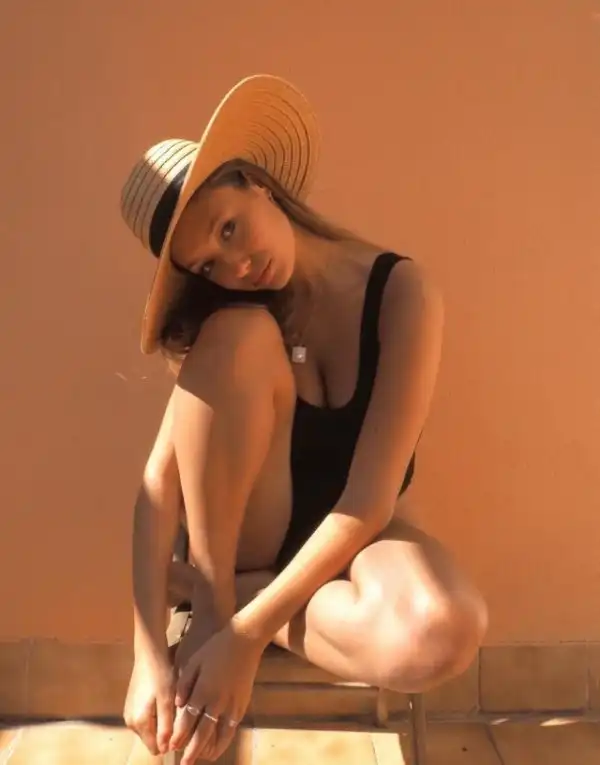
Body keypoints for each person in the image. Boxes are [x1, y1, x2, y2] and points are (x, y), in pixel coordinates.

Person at [120, 74, 488, 764]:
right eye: (209, 264)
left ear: (256, 183)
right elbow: (156, 488)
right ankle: (216, 592)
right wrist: (146, 654)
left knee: (444, 627)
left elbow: (368, 501)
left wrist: (242, 633)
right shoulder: (230, 326)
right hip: (246, 538)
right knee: (241, 335)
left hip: (353, 534)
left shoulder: (400, 293)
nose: (236, 265)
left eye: (229, 228)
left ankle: (222, 600)